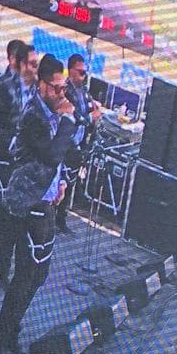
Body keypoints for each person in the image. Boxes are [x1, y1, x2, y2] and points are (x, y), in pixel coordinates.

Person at [0, 55, 76, 354]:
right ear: (41, 85)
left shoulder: (51, 110)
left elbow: (59, 158)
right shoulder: (33, 116)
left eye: (64, 88)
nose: (61, 95)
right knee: (27, 273)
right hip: (29, 203)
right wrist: (68, 120)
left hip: (46, 197)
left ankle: (10, 333)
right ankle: (2, 341)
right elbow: (51, 154)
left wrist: (63, 180)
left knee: (38, 274)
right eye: (55, 89)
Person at [0, 42, 36, 294]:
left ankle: (3, 268)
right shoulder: (5, 87)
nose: (36, 69)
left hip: (21, 162)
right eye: (32, 64)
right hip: (2, 157)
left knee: (15, 213)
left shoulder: (35, 92)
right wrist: (10, 140)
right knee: (2, 209)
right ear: (21, 64)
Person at [55, 53, 102, 234]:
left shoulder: (84, 91)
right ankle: (52, 216)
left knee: (71, 182)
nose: (83, 76)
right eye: (81, 72)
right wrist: (90, 118)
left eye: (85, 73)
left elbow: (91, 108)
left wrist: (94, 112)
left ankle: (61, 218)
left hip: (79, 143)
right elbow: (75, 116)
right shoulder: (65, 89)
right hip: (66, 142)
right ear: (71, 70)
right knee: (61, 180)